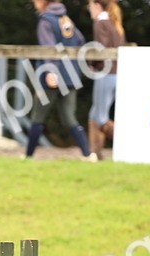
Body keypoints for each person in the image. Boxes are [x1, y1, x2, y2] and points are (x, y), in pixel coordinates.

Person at [25, 0, 94, 162]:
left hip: (52, 75)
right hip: (70, 76)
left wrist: (51, 71)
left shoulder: (46, 21)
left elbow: (48, 48)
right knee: (69, 117)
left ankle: (28, 156)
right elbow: (80, 41)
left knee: (37, 116)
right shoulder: (66, 20)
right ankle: (87, 154)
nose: (34, 3)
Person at [86, 0, 124, 161]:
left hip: (105, 73)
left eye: (90, 6)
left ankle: (126, 141)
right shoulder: (115, 23)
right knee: (94, 113)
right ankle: (95, 153)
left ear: (97, 5)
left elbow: (100, 49)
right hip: (116, 73)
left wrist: (92, 63)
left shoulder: (100, 23)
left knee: (100, 116)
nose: (89, 9)